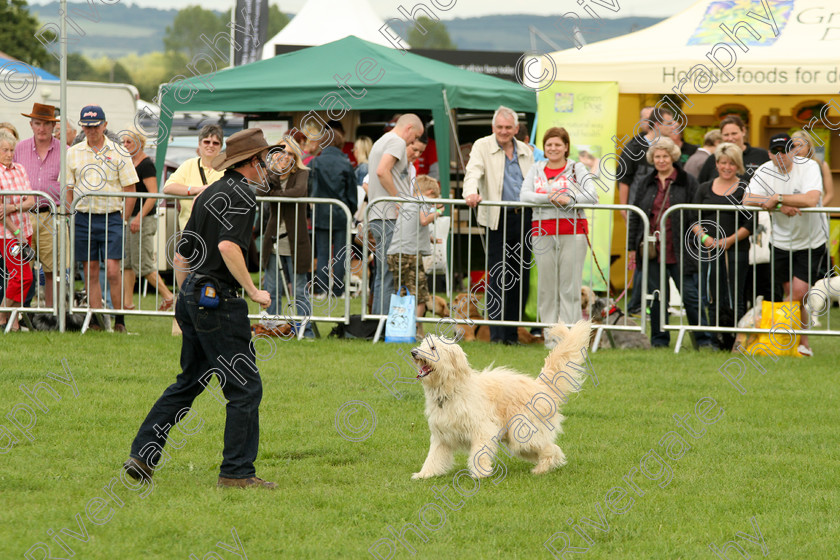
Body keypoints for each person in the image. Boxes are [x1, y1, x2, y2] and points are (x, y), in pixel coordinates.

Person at [125, 128, 275, 489]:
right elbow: (227, 246)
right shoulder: (243, 195)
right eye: (265, 160)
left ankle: (142, 455)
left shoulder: (210, 193)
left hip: (194, 293)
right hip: (218, 298)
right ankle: (237, 473)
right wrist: (253, 291)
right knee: (244, 387)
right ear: (253, 162)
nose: (268, 166)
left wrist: (185, 298)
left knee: (188, 382)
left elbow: (181, 254)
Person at [744, 133, 830, 357]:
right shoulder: (763, 170)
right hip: (781, 241)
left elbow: (812, 199)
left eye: (786, 151)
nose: (781, 156)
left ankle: (785, 339)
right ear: (770, 153)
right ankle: (801, 343)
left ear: (793, 151)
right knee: (790, 293)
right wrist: (776, 205)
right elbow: (747, 199)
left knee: (799, 293)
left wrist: (778, 198)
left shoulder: (809, 166)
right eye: (777, 152)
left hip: (812, 240)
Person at [627, 137, 713, 349]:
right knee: (657, 298)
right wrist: (631, 247)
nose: (661, 160)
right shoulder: (646, 182)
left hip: (680, 249)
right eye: (657, 156)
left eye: (665, 156)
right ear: (652, 158)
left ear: (673, 157)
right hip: (653, 250)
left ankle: (703, 340)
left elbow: (695, 214)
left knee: (691, 296)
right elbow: (636, 216)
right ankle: (659, 340)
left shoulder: (688, 181)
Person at [463, 105, 534, 345]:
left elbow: (536, 180)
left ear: (516, 128)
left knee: (520, 277)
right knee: (499, 276)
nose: (504, 132)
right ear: (493, 127)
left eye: (508, 127)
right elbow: (473, 172)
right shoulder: (482, 146)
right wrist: (471, 193)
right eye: (500, 127)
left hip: (524, 217)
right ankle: (496, 335)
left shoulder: (526, 150)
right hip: (497, 218)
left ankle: (512, 335)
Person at [520, 127, 597, 344]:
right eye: (549, 144)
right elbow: (524, 195)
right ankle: (552, 340)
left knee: (570, 288)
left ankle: (572, 340)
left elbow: (592, 196)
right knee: (546, 289)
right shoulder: (536, 169)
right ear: (544, 148)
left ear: (566, 147)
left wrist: (568, 199)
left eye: (557, 144)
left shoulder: (577, 168)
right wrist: (549, 197)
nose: (553, 148)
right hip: (542, 232)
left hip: (573, 232)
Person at [66, 105, 138, 333]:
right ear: (82, 127)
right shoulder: (73, 152)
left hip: (111, 217)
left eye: (95, 125)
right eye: (87, 126)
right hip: (84, 217)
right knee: (90, 270)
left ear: (105, 125)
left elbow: (131, 188)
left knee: (114, 270)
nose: (91, 130)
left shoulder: (119, 152)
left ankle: (119, 320)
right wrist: (71, 213)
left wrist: (124, 218)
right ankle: (96, 319)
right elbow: (68, 187)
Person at [163, 124, 224, 335]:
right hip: (190, 231)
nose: (210, 146)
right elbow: (168, 187)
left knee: (212, 279)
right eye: (206, 142)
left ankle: (214, 322)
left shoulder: (226, 170)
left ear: (221, 146)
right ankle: (183, 312)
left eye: (215, 143)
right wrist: (195, 190)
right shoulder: (189, 165)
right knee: (181, 264)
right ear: (199, 145)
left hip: (217, 233)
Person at [690, 143, 755, 340]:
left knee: (736, 296)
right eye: (723, 163)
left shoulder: (745, 189)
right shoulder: (703, 189)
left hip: (737, 250)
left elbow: (750, 222)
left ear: (738, 165)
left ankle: (736, 338)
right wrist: (705, 238)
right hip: (710, 250)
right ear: (716, 164)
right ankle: (715, 337)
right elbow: (693, 219)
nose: (727, 167)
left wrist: (729, 241)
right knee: (713, 295)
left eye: (732, 163)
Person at [617, 106, 674, 315]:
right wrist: (625, 210)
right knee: (643, 255)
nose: (674, 127)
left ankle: (650, 304)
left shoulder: (667, 147)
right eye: (669, 123)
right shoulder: (634, 147)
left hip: (660, 213)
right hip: (639, 213)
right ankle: (636, 305)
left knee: (656, 256)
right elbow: (624, 180)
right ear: (657, 125)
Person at [367, 113, 424, 315]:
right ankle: (382, 325)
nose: (414, 142)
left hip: (377, 214)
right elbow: (382, 171)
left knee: (382, 273)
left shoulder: (381, 141)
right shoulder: (397, 142)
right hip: (389, 216)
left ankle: (376, 323)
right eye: (415, 136)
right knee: (389, 275)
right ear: (408, 128)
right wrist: (398, 198)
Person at [258, 136, 314, 338]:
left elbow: (298, 192)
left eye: (290, 153)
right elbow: (260, 191)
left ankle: (305, 330)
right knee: (271, 287)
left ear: (296, 155)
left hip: (296, 239)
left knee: (299, 287)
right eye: (282, 152)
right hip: (273, 239)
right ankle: (273, 328)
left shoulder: (302, 173)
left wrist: (275, 194)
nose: (286, 156)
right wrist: (273, 171)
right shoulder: (271, 174)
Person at [12, 103, 64, 308]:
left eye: (46, 124)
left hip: (53, 215)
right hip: (22, 215)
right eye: (37, 123)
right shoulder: (18, 149)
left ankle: (52, 315)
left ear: (53, 126)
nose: (41, 128)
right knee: (22, 267)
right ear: (31, 125)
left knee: (54, 270)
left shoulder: (65, 151)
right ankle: (18, 315)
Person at [121, 128, 174, 312]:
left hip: (143, 219)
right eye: (124, 141)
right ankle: (127, 304)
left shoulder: (146, 164)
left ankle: (168, 296)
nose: (126, 145)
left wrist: (138, 217)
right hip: (131, 219)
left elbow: (153, 195)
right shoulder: (130, 164)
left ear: (140, 143)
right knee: (127, 263)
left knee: (143, 264)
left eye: (129, 141)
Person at [387, 175, 441, 338]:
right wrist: (438, 211)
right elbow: (424, 220)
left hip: (397, 253)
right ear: (430, 192)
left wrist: (430, 238)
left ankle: (405, 328)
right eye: (434, 199)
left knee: (403, 293)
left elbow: (412, 227)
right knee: (420, 295)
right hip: (409, 254)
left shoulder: (409, 202)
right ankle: (412, 328)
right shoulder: (423, 200)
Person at [309, 129, 357, 300]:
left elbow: (308, 187)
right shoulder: (346, 164)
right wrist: (350, 211)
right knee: (340, 254)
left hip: (321, 212)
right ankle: (338, 290)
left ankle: (321, 290)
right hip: (341, 212)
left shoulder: (315, 162)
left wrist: (309, 211)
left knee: (322, 252)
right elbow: (352, 193)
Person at [0, 131, 37, 331]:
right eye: (5, 150)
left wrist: (12, 207)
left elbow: (31, 200)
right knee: (22, 277)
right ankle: (2, 314)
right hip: (8, 235)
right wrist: (16, 232)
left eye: (11, 150)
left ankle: (12, 322)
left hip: (25, 229)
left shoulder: (20, 169)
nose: (9, 154)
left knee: (23, 276)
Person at [697, 115, 769, 183]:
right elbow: (700, 186)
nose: (730, 138)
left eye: (734, 133)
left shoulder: (762, 155)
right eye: (726, 135)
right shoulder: (713, 159)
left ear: (743, 131)